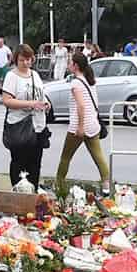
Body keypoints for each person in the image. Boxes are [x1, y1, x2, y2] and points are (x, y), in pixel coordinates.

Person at [54, 51, 111, 193]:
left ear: (75, 66)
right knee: (99, 157)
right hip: (93, 125)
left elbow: (80, 105)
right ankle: (107, 187)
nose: (68, 65)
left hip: (77, 127)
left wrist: (80, 127)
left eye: (70, 63)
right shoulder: (90, 81)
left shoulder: (75, 83)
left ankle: (60, 186)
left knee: (65, 158)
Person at [0, 43, 50, 189]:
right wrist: (30, 104)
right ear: (16, 59)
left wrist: (45, 104)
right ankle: (19, 192)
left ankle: (33, 193)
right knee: (19, 163)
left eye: (28, 59)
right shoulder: (12, 76)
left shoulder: (35, 74)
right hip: (20, 126)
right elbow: (7, 100)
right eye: (22, 60)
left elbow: (41, 94)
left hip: (38, 125)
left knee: (35, 164)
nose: (26, 63)